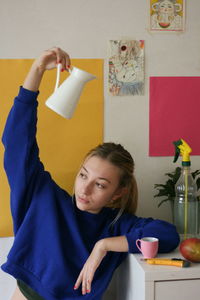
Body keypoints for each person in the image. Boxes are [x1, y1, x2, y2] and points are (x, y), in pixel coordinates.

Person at [1, 47, 180, 300]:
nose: (84, 189)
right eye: (83, 175)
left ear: (118, 194)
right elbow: (17, 142)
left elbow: (168, 234)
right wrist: (37, 70)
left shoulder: (117, 226)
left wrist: (103, 246)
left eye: (101, 184)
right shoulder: (42, 196)